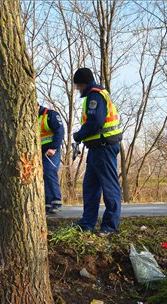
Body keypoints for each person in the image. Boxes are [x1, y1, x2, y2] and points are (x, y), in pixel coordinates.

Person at [72, 68, 122, 236]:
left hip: (104, 147)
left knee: (109, 187)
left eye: (78, 85)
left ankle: (109, 227)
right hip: (96, 148)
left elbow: (96, 122)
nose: (78, 89)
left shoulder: (95, 95)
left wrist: (79, 135)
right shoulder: (94, 94)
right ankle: (86, 224)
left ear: (82, 83)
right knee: (90, 187)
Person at [38, 105, 64, 214]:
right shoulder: (33, 117)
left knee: (50, 172)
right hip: (40, 151)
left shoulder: (50, 115)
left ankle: (56, 200)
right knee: (43, 175)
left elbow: (60, 131)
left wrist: (53, 148)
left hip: (52, 150)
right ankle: (48, 202)